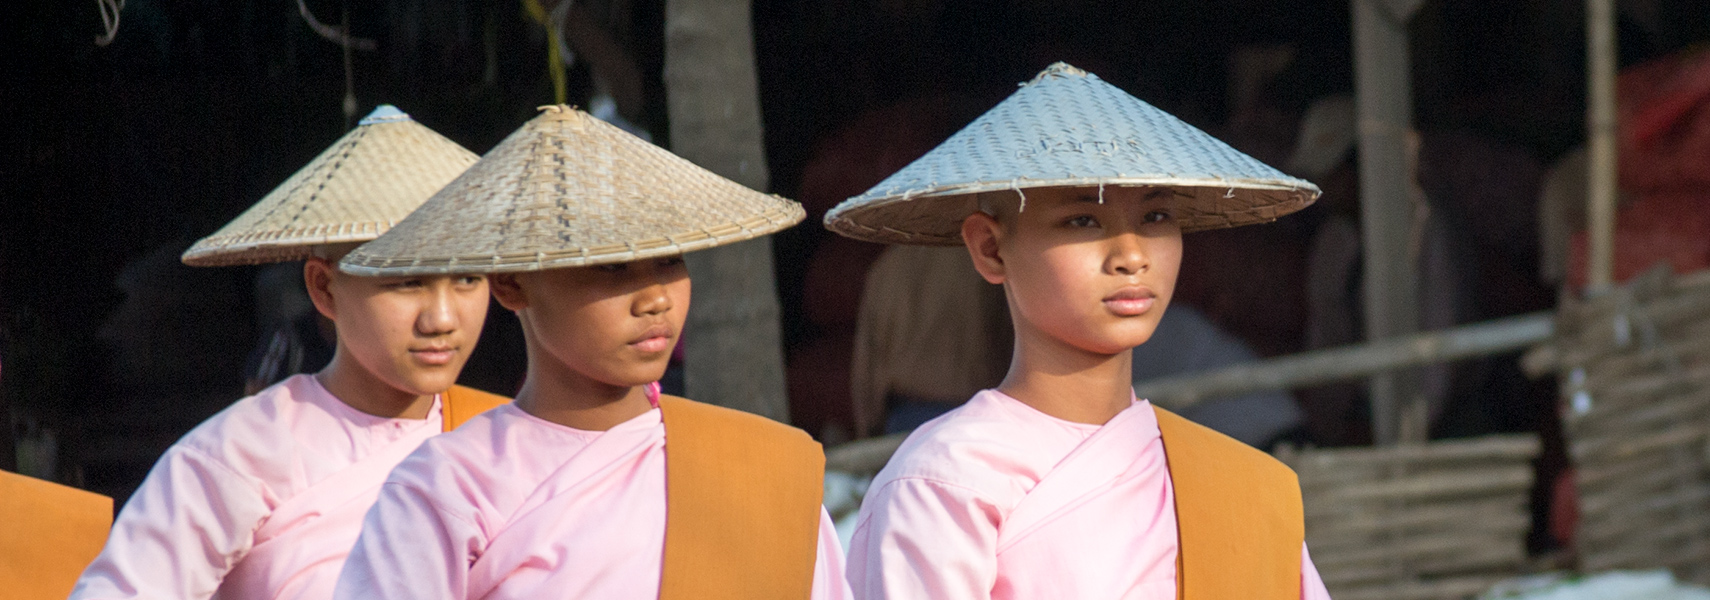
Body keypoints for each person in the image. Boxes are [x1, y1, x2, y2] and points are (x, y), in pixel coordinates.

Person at [825, 63, 1333, 599]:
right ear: (991, 248)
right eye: (1082, 221)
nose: (1132, 255)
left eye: (1157, 217)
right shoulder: (946, 483)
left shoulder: (1234, 484)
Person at [332, 105, 850, 600]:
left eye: (669, 260)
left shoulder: (759, 467)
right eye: (612, 267)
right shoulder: (448, 486)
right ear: (511, 285)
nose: (655, 299)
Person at [73, 105, 509, 600]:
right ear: (324, 289)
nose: (443, 319)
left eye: (469, 279)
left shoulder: (501, 442)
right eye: (407, 282)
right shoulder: (243, 451)